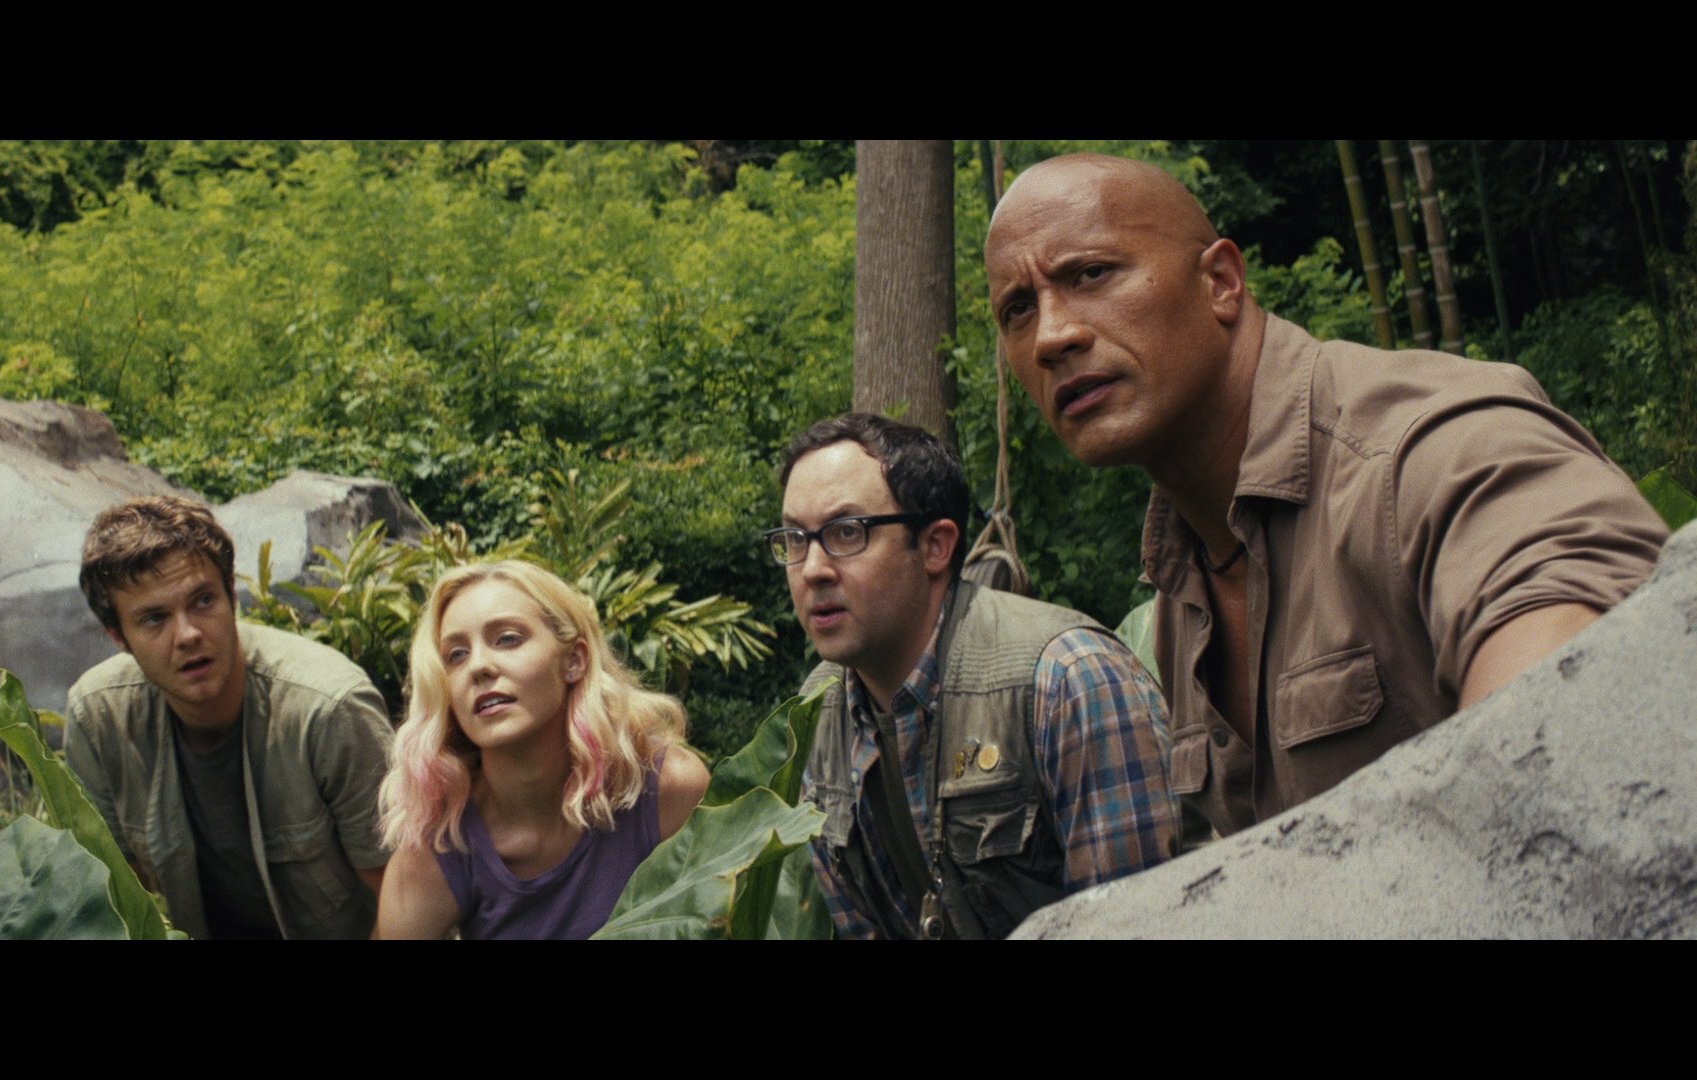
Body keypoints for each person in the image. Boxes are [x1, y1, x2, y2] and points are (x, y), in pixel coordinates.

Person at [984, 153, 1670, 838]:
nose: (1051, 337)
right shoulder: (1182, 588)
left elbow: (1589, 748)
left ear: (1221, 283)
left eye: (1091, 274)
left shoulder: (1434, 456)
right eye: (1018, 308)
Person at [773, 413, 1179, 939]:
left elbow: (1136, 927)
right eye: (795, 539)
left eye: (847, 533)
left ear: (935, 546)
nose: (812, 569)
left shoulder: (1069, 681)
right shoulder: (819, 709)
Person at [66, 495, 395, 939]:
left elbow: (406, 903)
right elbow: (107, 902)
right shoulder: (99, 717)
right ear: (118, 637)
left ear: (231, 598)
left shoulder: (328, 710)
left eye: (203, 601)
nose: (188, 635)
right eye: (155, 619)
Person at [374, 559, 711, 939]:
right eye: (456, 655)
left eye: (507, 639)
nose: (479, 666)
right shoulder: (436, 848)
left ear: (574, 660)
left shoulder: (668, 788)